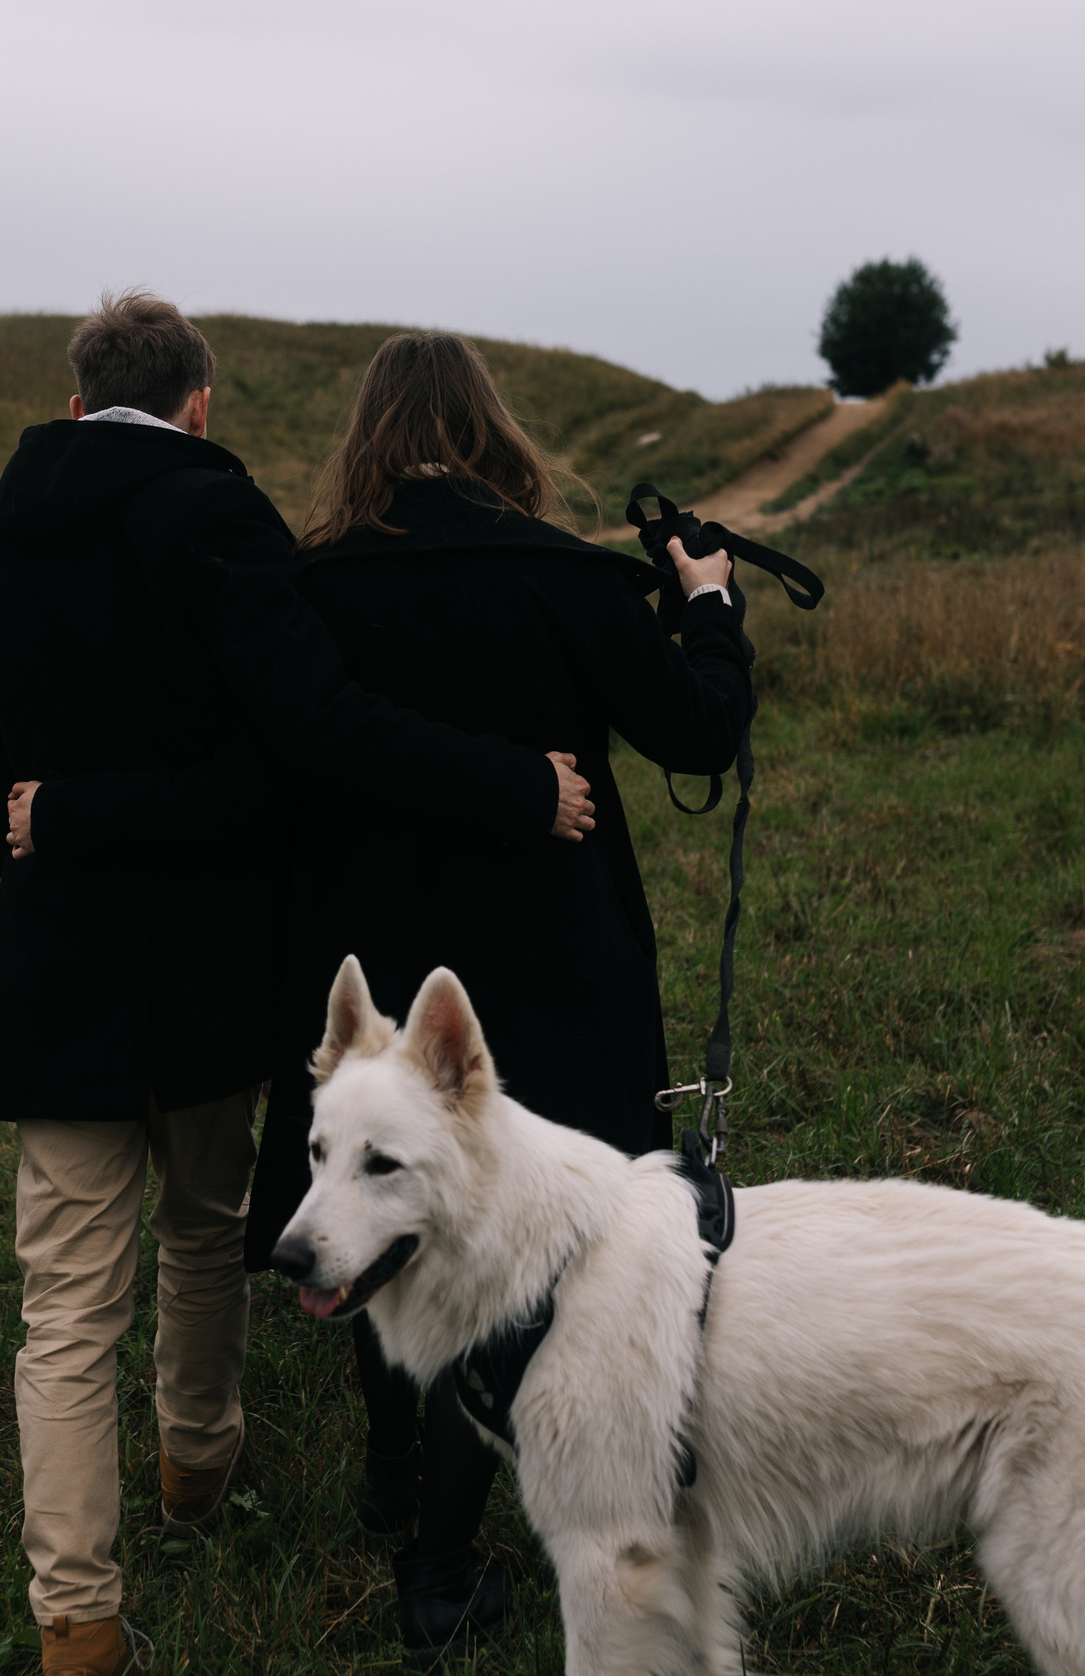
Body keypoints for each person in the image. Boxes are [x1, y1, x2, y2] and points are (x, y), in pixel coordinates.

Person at [0, 293, 595, 1676]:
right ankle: (199, 1462)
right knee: (202, 1226)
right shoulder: (219, 523)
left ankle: (79, 1617)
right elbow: (298, 745)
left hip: (59, 964)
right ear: (201, 406)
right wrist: (513, 784)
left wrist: (70, 837)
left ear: (73, 406)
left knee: (62, 1303)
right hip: (208, 958)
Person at [242, 330, 752, 1665]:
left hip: (375, 953)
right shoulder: (568, 579)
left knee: (375, 1189)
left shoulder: (310, 589)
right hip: (553, 959)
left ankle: (389, 1460)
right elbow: (701, 731)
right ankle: (444, 1557)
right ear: (493, 432)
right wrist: (703, 602)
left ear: (369, 436)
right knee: (525, 1252)